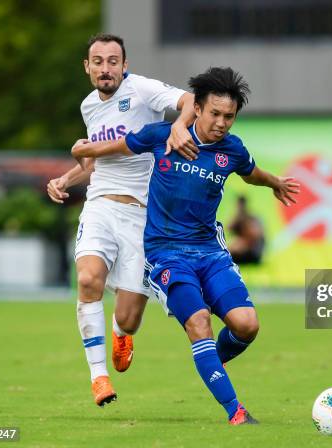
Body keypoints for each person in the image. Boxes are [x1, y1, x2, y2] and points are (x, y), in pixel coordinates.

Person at [71, 67, 300, 424]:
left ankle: (211, 360)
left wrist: (274, 183)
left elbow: (251, 172)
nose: (222, 122)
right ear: (199, 108)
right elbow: (119, 146)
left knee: (247, 325)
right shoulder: (162, 135)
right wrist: (84, 148)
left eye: (230, 116)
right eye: (215, 114)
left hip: (210, 252)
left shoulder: (233, 150)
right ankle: (235, 411)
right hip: (165, 255)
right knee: (199, 323)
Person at [46, 33, 199, 407]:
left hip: (143, 216)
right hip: (99, 205)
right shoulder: (88, 107)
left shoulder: (143, 90)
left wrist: (180, 125)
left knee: (129, 318)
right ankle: (99, 377)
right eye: (98, 61)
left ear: (124, 65)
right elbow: (96, 160)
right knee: (87, 278)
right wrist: (67, 178)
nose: (105, 68)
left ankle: (119, 332)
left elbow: (191, 100)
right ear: (87, 67)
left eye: (113, 61)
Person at [228, 195, 265, 264]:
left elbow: (256, 235)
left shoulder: (251, 218)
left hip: (253, 250)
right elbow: (229, 228)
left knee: (236, 245)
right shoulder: (238, 218)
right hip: (242, 249)